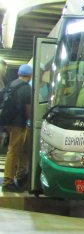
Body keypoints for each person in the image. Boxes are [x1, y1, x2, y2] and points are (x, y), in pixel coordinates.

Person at [1, 64, 32, 193]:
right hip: (18, 124)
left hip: (8, 122)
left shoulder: (11, 85)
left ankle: (18, 176)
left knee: (16, 150)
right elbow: (28, 109)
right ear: (30, 76)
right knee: (14, 151)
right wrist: (30, 119)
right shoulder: (26, 88)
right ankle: (8, 181)